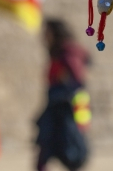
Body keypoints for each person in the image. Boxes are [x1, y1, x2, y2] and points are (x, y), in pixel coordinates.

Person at [35, 19, 91, 171]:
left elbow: (77, 80)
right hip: (56, 106)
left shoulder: (67, 52)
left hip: (64, 109)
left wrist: (64, 83)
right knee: (45, 150)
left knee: (69, 150)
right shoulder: (57, 52)